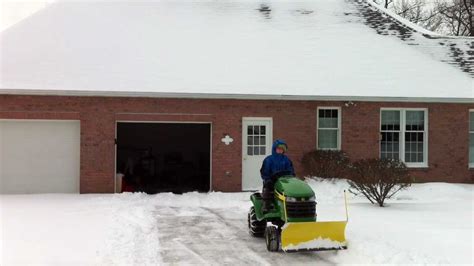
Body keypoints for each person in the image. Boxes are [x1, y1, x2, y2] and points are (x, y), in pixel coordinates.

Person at [260, 139, 295, 212]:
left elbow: (291, 170)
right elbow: (264, 171)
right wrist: (267, 179)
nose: (280, 150)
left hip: (285, 181)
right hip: (272, 180)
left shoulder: (286, 160)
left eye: (282, 149)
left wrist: (291, 176)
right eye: (278, 149)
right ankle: (266, 205)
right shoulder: (268, 160)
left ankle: (293, 206)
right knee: (268, 188)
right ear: (274, 149)